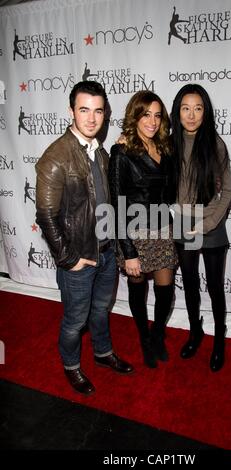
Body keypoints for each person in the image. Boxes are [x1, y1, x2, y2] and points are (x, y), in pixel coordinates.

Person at [35, 81, 133, 396]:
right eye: (84, 110)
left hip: (105, 253)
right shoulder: (56, 156)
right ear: (71, 112)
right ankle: (72, 367)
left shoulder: (100, 153)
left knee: (101, 310)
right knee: (76, 320)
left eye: (98, 111)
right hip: (80, 258)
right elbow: (46, 216)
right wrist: (69, 259)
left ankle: (103, 354)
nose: (91, 119)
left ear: (105, 114)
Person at [108, 90, 178, 368]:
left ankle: (157, 334)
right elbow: (115, 206)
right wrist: (128, 252)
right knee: (137, 290)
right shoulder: (121, 152)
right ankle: (144, 338)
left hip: (162, 230)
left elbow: (170, 193)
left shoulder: (165, 149)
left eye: (157, 115)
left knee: (165, 289)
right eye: (146, 114)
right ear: (135, 116)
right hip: (134, 235)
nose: (152, 121)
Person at [170, 83, 231, 372]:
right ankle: (196, 332)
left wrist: (206, 223)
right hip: (183, 223)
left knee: (215, 287)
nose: (192, 115)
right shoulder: (169, 143)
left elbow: (228, 191)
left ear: (205, 111)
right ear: (178, 111)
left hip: (210, 224)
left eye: (198, 108)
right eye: (186, 108)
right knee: (191, 283)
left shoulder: (216, 144)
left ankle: (220, 338)